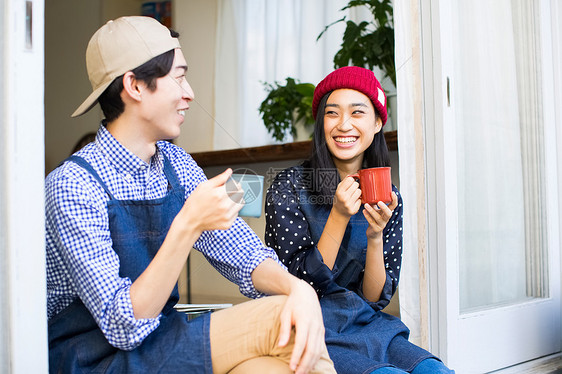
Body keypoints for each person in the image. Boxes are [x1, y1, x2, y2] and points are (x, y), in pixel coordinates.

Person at [45, 16, 336, 374]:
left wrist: (299, 289)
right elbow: (123, 325)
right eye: (179, 76)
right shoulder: (72, 185)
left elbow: (243, 253)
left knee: (277, 366)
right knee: (283, 321)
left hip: (161, 345)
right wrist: (187, 225)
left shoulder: (176, 163)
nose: (190, 93)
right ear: (134, 85)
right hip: (94, 360)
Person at [264, 66, 454, 373]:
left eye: (357, 113)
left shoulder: (388, 196)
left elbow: (374, 298)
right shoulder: (288, 186)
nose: (344, 125)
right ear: (320, 123)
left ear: (378, 122)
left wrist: (375, 236)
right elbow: (297, 285)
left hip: (366, 323)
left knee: (435, 371)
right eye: (332, 113)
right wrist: (339, 216)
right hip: (309, 324)